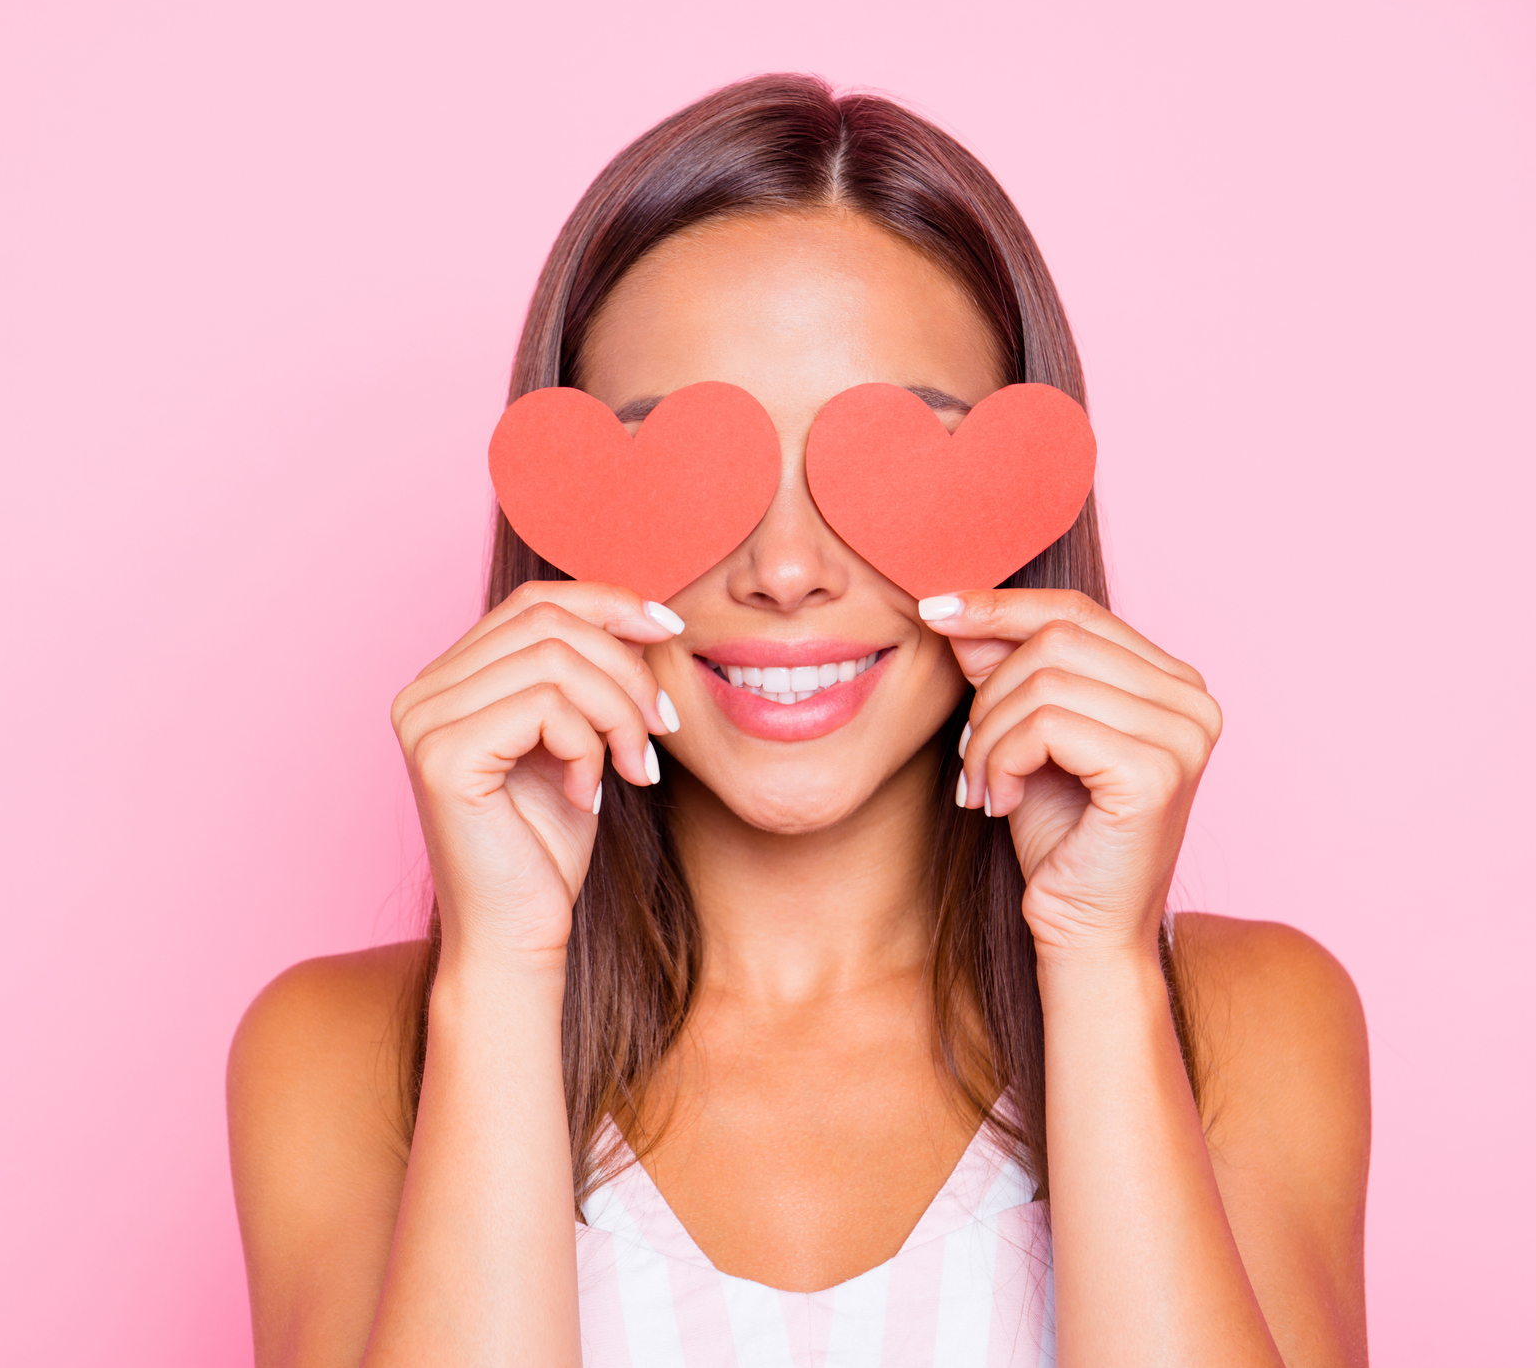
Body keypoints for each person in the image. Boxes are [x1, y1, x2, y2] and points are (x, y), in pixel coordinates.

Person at [227, 74, 1370, 1368]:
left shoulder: (1249, 1025)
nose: (783, 569)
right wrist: (502, 974)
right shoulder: (339, 1058)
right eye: (687, 461)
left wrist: (1098, 967)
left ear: (1019, 503)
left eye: (883, 461)